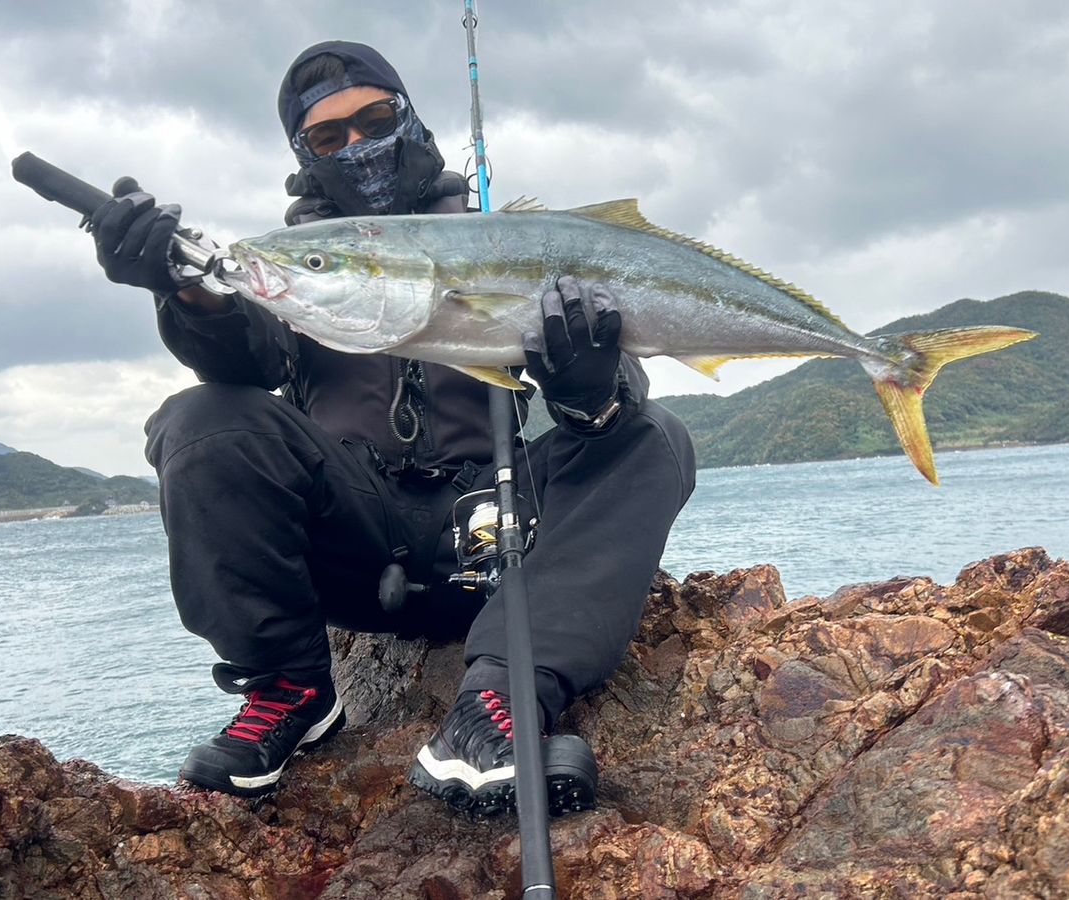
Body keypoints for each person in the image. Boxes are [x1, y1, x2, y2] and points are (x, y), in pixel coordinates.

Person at [88, 40, 696, 815]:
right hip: (354, 537)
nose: (357, 144)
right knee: (201, 421)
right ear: (303, 157)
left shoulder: (504, 241)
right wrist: (189, 296)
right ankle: (291, 689)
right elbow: (244, 357)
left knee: (655, 436)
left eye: (375, 118)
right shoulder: (299, 264)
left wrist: (585, 386)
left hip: (497, 533)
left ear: (410, 117)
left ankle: (498, 702)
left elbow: (613, 408)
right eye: (327, 136)